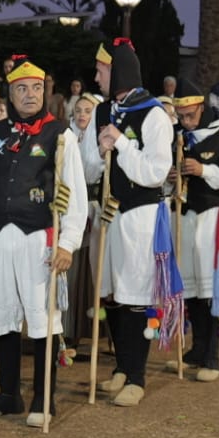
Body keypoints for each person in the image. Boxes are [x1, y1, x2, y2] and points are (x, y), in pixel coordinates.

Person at [0, 57, 87, 423]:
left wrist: (68, 243)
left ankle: (43, 400)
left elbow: (75, 193)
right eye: (22, 89)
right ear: (10, 93)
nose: (30, 95)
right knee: (2, 316)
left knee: (42, 316)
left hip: (40, 238)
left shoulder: (61, 134)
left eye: (36, 88)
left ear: (45, 92)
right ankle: (8, 395)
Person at [79, 38, 178, 408]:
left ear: (118, 70)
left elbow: (155, 173)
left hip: (141, 216)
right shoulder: (103, 111)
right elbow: (88, 164)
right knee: (114, 294)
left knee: (139, 297)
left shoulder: (153, 114)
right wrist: (99, 149)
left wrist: (120, 143)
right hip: (110, 213)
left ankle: (138, 375)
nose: (95, 75)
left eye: (101, 69)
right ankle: (121, 366)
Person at [171, 93, 219, 382]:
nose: (186, 122)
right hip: (184, 216)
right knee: (191, 286)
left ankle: (212, 358)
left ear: (201, 108)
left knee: (211, 287)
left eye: (190, 115)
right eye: (181, 116)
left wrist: (204, 170)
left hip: (213, 216)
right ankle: (197, 349)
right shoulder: (178, 135)